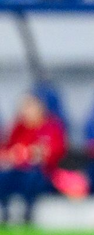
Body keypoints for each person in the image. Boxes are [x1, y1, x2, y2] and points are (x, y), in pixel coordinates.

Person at [0, 95, 67, 226]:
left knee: (32, 177)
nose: (26, 111)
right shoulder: (18, 128)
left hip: (44, 174)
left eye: (29, 107)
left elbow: (55, 152)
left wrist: (30, 153)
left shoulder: (52, 127)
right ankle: (5, 211)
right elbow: (7, 150)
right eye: (24, 108)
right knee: (4, 177)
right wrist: (15, 154)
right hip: (18, 170)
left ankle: (28, 213)